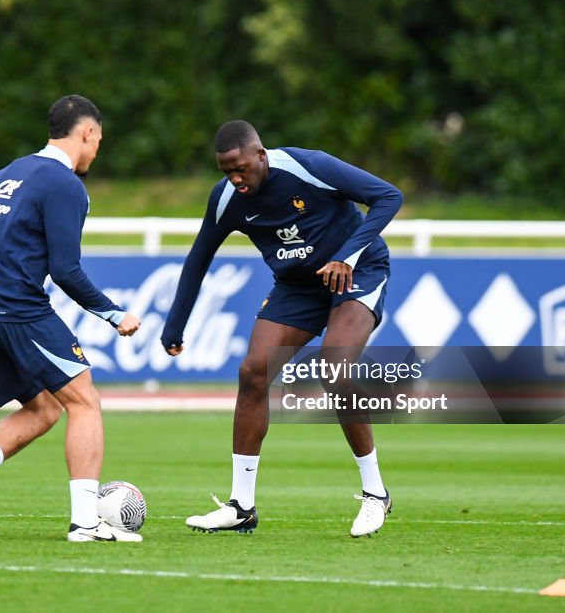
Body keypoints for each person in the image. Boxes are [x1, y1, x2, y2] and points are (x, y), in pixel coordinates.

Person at [0, 94, 143, 543]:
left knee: (44, 408)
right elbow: (65, 270)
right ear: (88, 133)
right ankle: (86, 524)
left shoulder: (7, 173)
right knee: (84, 401)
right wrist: (114, 315)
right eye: (98, 142)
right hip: (12, 306)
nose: (96, 151)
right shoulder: (66, 185)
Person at [161, 120, 403, 537]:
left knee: (335, 369)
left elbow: (388, 197)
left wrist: (347, 255)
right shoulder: (226, 200)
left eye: (241, 168)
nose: (235, 179)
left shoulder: (309, 166)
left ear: (261, 154)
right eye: (225, 172)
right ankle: (241, 506)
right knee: (253, 372)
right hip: (297, 286)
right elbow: (198, 258)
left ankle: (375, 493)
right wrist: (175, 323)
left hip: (356, 270)